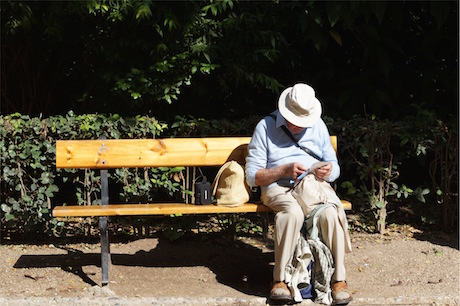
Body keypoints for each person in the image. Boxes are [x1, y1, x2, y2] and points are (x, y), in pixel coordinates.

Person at [245, 83, 353, 305]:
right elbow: (252, 176)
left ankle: (338, 281)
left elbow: (334, 166)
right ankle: (280, 280)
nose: (299, 125)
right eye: (294, 119)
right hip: (278, 188)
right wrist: (283, 170)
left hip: (312, 188)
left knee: (330, 213)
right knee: (292, 212)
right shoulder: (265, 127)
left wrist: (329, 171)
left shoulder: (318, 126)